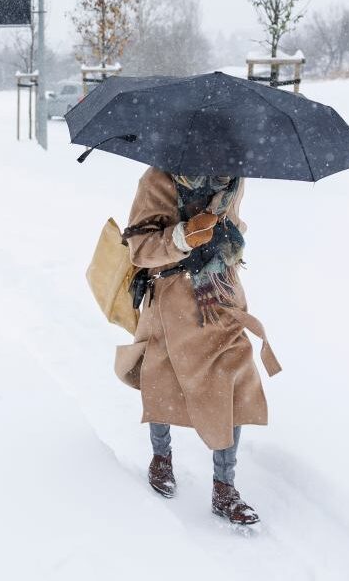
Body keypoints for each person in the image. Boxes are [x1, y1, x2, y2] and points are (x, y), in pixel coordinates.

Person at [115, 169, 281, 525]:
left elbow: (235, 224)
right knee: (162, 378)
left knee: (232, 382)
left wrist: (225, 236)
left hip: (220, 296)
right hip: (171, 300)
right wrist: (184, 236)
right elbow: (139, 249)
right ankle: (161, 457)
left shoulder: (233, 177)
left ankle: (225, 488)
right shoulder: (157, 179)